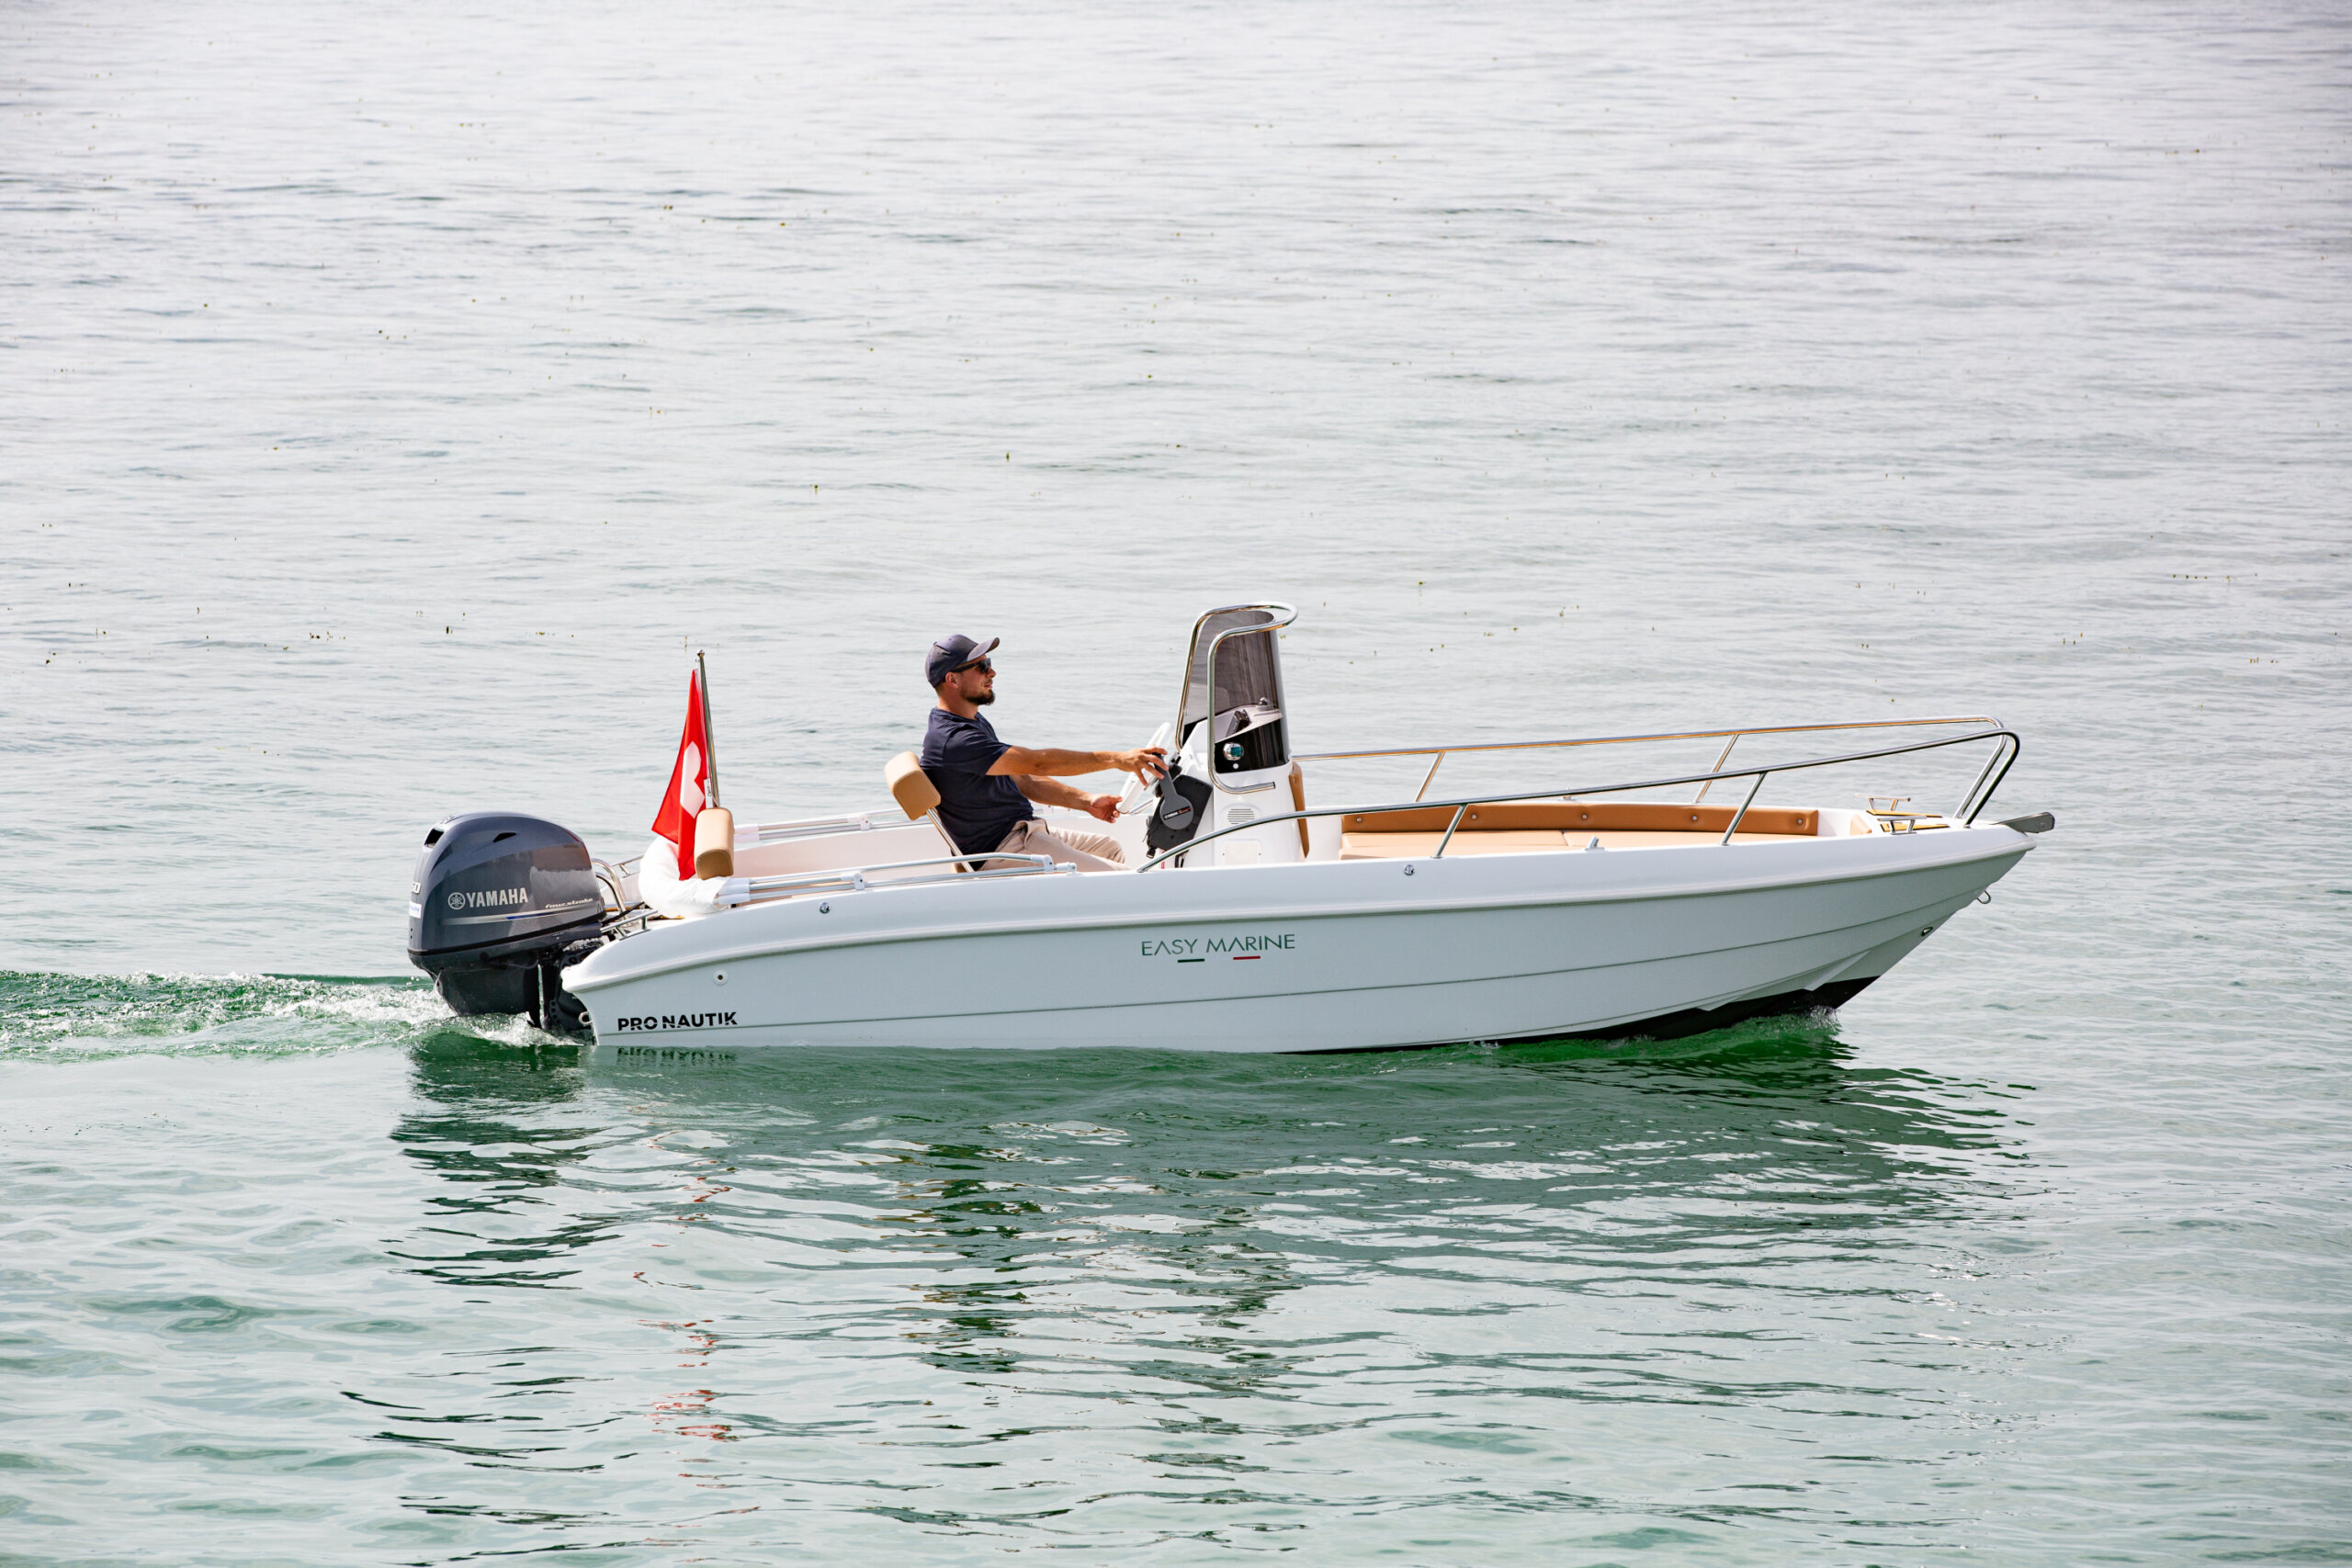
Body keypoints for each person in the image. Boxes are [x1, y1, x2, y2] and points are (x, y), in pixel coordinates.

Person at [921, 633, 1166, 873]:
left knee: (1108, 849)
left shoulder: (970, 721)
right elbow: (1037, 764)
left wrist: (1086, 802)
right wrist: (1117, 759)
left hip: (1022, 832)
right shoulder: (955, 740)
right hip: (1004, 849)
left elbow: (1022, 778)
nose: (992, 672)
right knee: (1125, 879)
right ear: (952, 680)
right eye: (982, 667)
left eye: (989, 663)